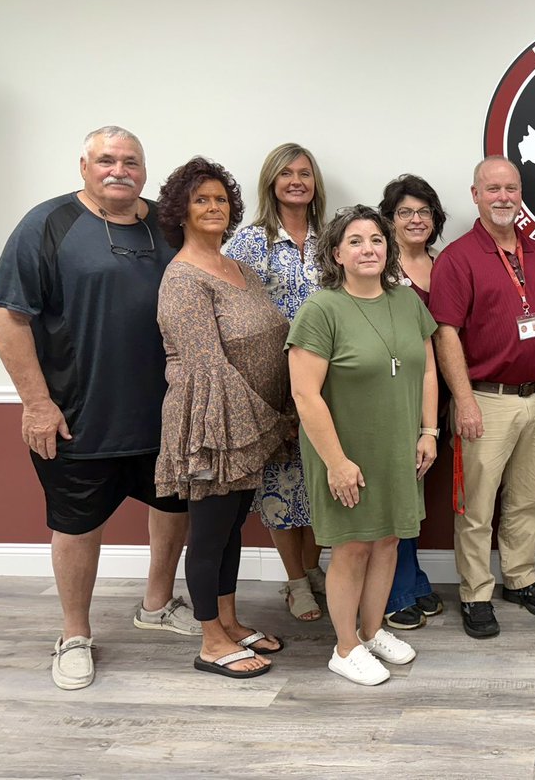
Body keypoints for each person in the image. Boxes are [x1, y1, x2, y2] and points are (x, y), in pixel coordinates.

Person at [0, 126, 198, 691]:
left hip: (165, 413)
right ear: (84, 166)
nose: (119, 170)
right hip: (80, 415)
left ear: (145, 171)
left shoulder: (168, 226)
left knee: (173, 507)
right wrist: (36, 403)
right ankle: (74, 633)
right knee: (77, 524)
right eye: (106, 160)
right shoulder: (47, 224)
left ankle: (156, 605)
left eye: (131, 161)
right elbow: (7, 316)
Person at [430, 155, 535, 639]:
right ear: (475, 195)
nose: (503, 197)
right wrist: (465, 401)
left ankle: (519, 578)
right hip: (485, 399)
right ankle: (475, 592)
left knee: (528, 498)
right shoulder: (457, 258)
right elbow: (445, 334)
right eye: (492, 188)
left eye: (511, 188)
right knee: (475, 507)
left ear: (521, 194)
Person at [288, 205, 438, 685]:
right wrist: (336, 462)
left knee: (389, 540)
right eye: (355, 241)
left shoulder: (408, 302)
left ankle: (371, 632)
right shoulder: (321, 310)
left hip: (398, 445)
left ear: (388, 248)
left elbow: (428, 371)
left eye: (376, 239)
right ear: (337, 253)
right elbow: (304, 394)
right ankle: (345, 646)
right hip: (344, 451)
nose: (368, 248)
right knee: (352, 548)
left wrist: (429, 431)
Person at [154, 157, 291, 679]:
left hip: (251, 423)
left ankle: (228, 620)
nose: (214, 207)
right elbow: (208, 369)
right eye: (201, 200)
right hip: (213, 424)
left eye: (220, 198)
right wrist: (270, 422)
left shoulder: (239, 267)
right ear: (181, 212)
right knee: (209, 532)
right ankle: (210, 639)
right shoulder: (184, 279)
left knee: (233, 526)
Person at [224, 142, 329, 622]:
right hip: (274, 385)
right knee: (284, 485)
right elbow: (225, 306)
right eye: (286, 173)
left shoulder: (332, 237)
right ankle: (294, 581)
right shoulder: (250, 242)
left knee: (322, 480)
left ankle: (313, 569)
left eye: (304, 173)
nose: (296, 181)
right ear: (271, 182)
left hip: (330, 381)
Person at [376, 173, 448, 630]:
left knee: (414, 493)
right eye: (405, 212)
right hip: (394, 395)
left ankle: (413, 578)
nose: (416, 219)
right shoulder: (382, 270)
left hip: (435, 394)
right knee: (398, 496)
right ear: (390, 220)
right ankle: (394, 593)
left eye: (424, 212)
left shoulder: (444, 264)